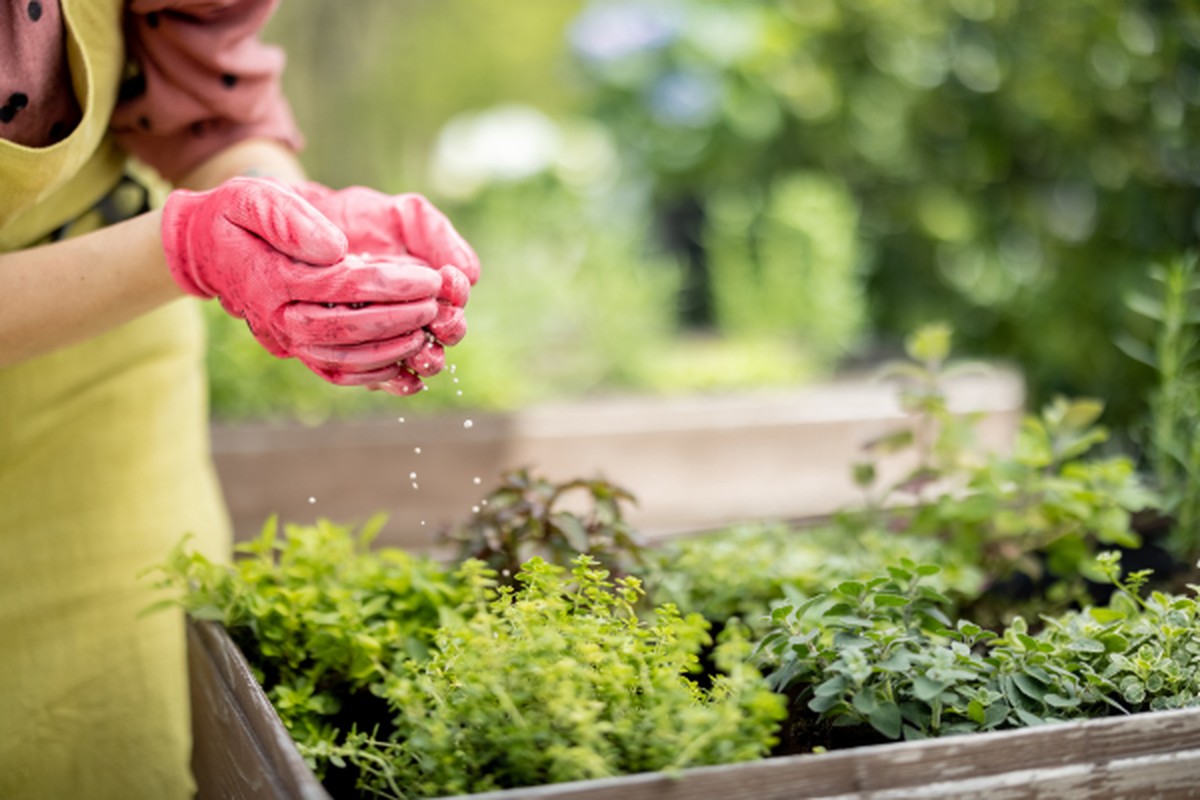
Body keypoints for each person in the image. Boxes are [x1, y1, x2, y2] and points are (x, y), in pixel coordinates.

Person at [0, 1, 480, 797]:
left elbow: (205, 108)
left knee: (118, 734)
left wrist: (302, 226)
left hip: (101, 359)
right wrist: (186, 249)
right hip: (137, 266)